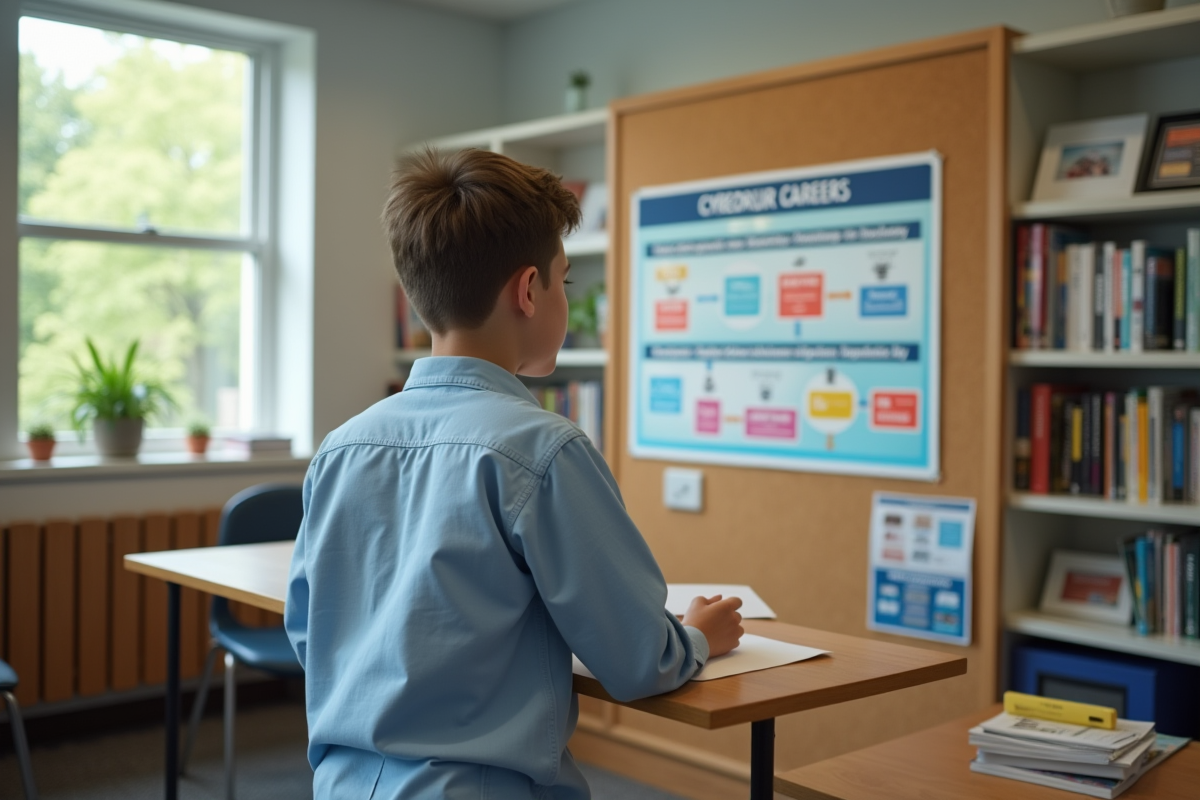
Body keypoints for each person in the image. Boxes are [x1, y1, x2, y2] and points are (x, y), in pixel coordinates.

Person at [284, 148, 744, 799]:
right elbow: (641, 659)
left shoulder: (342, 447)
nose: (564, 295)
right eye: (565, 279)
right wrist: (696, 636)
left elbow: (311, 630)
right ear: (529, 291)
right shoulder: (543, 450)